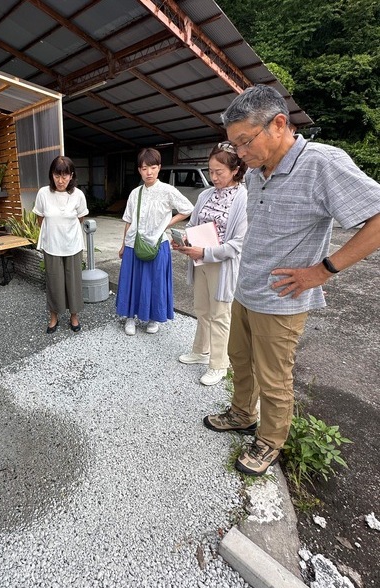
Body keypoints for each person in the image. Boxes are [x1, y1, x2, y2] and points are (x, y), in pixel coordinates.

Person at [203, 84, 380, 476]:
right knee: (240, 360)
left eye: (245, 142)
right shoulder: (254, 173)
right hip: (245, 289)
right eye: (234, 146)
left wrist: (323, 270)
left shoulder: (321, 164)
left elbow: (378, 219)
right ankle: (241, 413)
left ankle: (269, 441)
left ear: (279, 124)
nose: (241, 154)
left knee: (274, 376)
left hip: (282, 300)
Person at [173, 144, 248, 386]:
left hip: (221, 264)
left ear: (236, 170)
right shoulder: (205, 195)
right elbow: (193, 224)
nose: (214, 177)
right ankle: (200, 351)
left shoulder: (243, 198)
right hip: (199, 259)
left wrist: (204, 251)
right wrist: (184, 241)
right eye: (211, 171)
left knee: (220, 315)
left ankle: (218, 364)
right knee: (202, 309)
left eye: (220, 172)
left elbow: (237, 244)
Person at [117, 148, 193, 335]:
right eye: (144, 168)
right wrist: (123, 244)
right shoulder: (135, 193)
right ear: (139, 170)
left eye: (152, 167)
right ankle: (130, 317)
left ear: (159, 168)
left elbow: (188, 208)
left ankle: (153, 318)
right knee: (131, 280)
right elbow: (128, 220)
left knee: (154, 281)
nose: (148, 172)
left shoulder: (167, 191)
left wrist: (167, 224)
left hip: (158, 243)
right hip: (133, 243)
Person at [33, 156, 89, 334]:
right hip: (52, 246)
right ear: (52, 175)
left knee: (73, 282)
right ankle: (54, 317)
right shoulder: (43, 193)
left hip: (72, 245)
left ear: (71, 176)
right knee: (54, 282)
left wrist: (67, 232)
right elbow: (40, 218)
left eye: (65, 176)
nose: (61, 180)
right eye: (57, 175)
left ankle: (74, 316)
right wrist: (53, 234)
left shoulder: (78, 195)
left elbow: (80, 217)